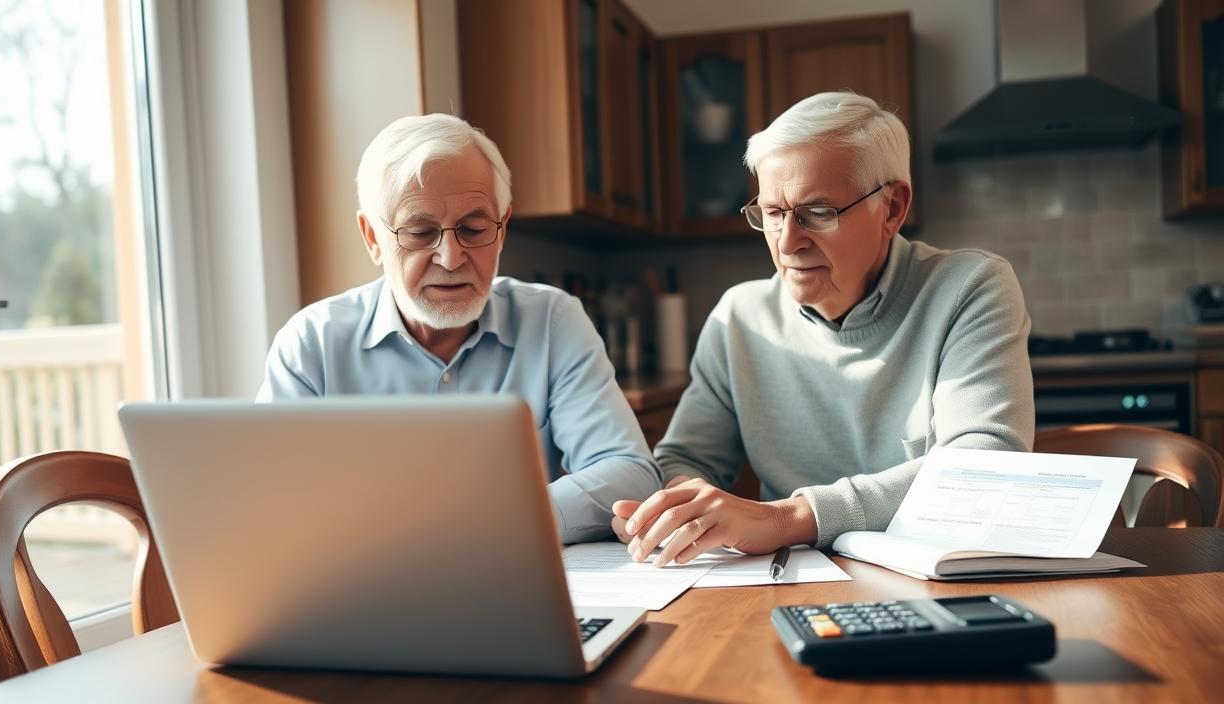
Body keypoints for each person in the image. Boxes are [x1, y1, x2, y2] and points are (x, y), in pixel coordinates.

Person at [614, 92, 1034, 565]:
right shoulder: (739, 316)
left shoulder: (969, 288)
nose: (789, 242)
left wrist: (788, 518)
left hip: (933, 573)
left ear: (892, 208)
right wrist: (681, 505)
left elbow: (983, 466)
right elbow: (685, 457)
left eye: (819, 212)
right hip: (781, 577)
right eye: (772, 213)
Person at [258, 113, 661, 543]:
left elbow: (631, 474)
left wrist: (498, 523)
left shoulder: (551, 321)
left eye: (473, 229)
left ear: (502, 229)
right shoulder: (312, 344)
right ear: (372, 237)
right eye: (419, 232)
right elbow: (269, 506)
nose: (451, 258)